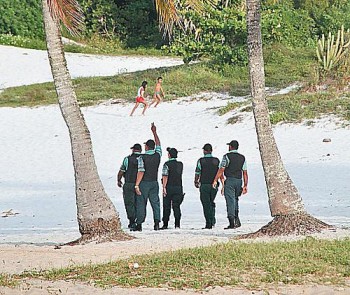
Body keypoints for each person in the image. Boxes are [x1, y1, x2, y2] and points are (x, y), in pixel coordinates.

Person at [212, 140, 248, 229]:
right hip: (239, 181)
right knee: (236, 199)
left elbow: (221, 169)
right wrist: (245, 185)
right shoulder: (242, 158)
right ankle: (236, 218)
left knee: (230, 201)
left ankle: (231, 222)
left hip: (230, 180)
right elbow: (245, 173)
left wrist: (215, 180)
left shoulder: (226, 156)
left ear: (230, 147)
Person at [133, 123, 162, 231]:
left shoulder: (142, 157)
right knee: (155, 203)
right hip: (154, 182)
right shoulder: (158, 155)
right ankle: (157, 222)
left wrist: (136, 185)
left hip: (144, 182)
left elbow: (141, 171)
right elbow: (159, 144)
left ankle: (139, 224)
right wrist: (154, 132)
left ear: (146, 147)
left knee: (141, 203)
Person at [194, 143, 222, 229]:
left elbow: (197, 172)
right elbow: (220, 172)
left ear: (204, 151)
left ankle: (208, 223)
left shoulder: (201, 160)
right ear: (211, 150)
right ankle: (212, 220)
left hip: (204, 184)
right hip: (214, 184)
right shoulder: (217, 160)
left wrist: (196, 181)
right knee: (211, 201)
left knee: (206, 203)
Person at [117, 143, 142, 230]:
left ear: (133, 150)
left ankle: (132, 221)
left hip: (129, 183)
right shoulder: (144, 158)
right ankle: (139, 221)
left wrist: (119, 180)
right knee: (139, 203)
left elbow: (122, 170)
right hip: (140, 184)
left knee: (129, 203)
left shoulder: (127, 159)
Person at [161, 147, 184, 229]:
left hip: (169, 187)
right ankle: (177, 224)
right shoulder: (180, 164)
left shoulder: (166, 164)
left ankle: (165, 224)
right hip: (178, 187)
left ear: (169, 155)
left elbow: (165, 176)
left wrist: (164, 187)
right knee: (176, 206)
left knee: (166, 206)